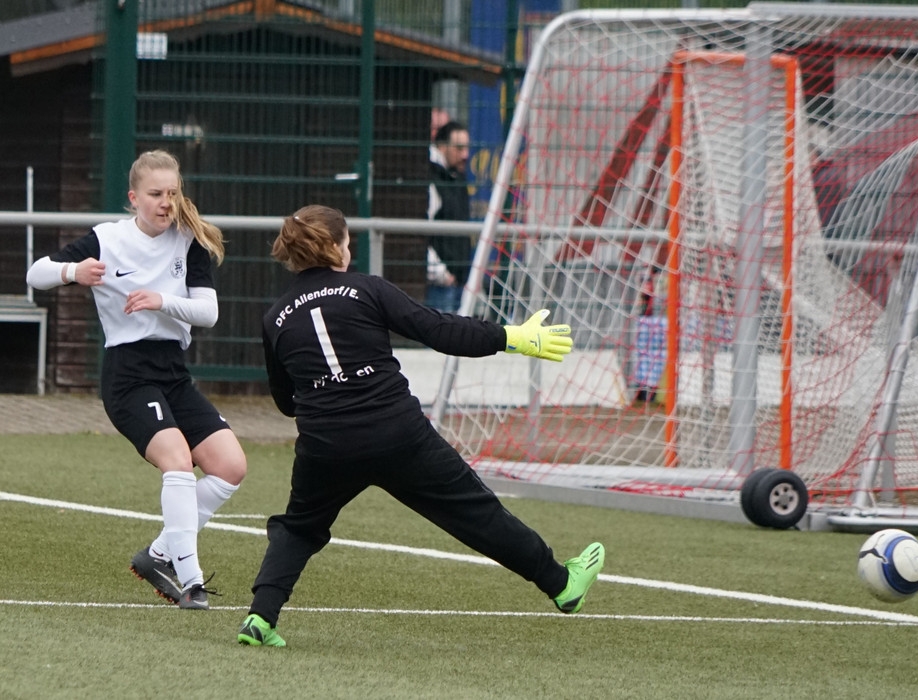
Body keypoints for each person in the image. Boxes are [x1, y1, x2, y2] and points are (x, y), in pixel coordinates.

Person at [237, 204, 605, 647]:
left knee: (297, 528)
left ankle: (260, 619)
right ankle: (562, 584)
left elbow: (284, 401)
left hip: (326, 445)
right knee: (473, 512)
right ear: (336, 248)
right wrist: (513, 337)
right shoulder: (367, 290)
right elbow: (438, 330)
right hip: (397, 433)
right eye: (348, 241)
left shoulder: (275, 317)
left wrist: (327, 398)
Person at [26, 149, 247, 610]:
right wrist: (73, 271)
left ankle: (158, 554)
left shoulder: (189, 240)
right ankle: (190, 581)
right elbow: (37, 273)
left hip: (173, 373)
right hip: (129, 377)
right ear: (134, 198)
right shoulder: (107, 239)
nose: (167, 202)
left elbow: (208, 312)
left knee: (230, 466)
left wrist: (160, 300)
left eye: (172, 193)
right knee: (179, 462)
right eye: (156, 194)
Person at [426, 120, 472, 313]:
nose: (465, 155)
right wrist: (439, 273)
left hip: (457, 282)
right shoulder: (430, 178)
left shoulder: (456, 178)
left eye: (467, 148)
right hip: (439, 284)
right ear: (442, 146)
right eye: (459, 148)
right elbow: (420, 230)